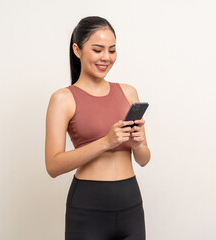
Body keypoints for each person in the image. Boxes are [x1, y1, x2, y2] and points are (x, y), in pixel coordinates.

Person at [45, 16, 151, 240]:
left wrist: (138, 143)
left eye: (112, 50)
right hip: (87, 208)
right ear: (77, 50)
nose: (106, 57)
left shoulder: (128, 92)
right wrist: (106, 142)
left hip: (131, 204)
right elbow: (53, 166)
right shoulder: (63, 99)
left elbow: (143, 159)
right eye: (98, 49)